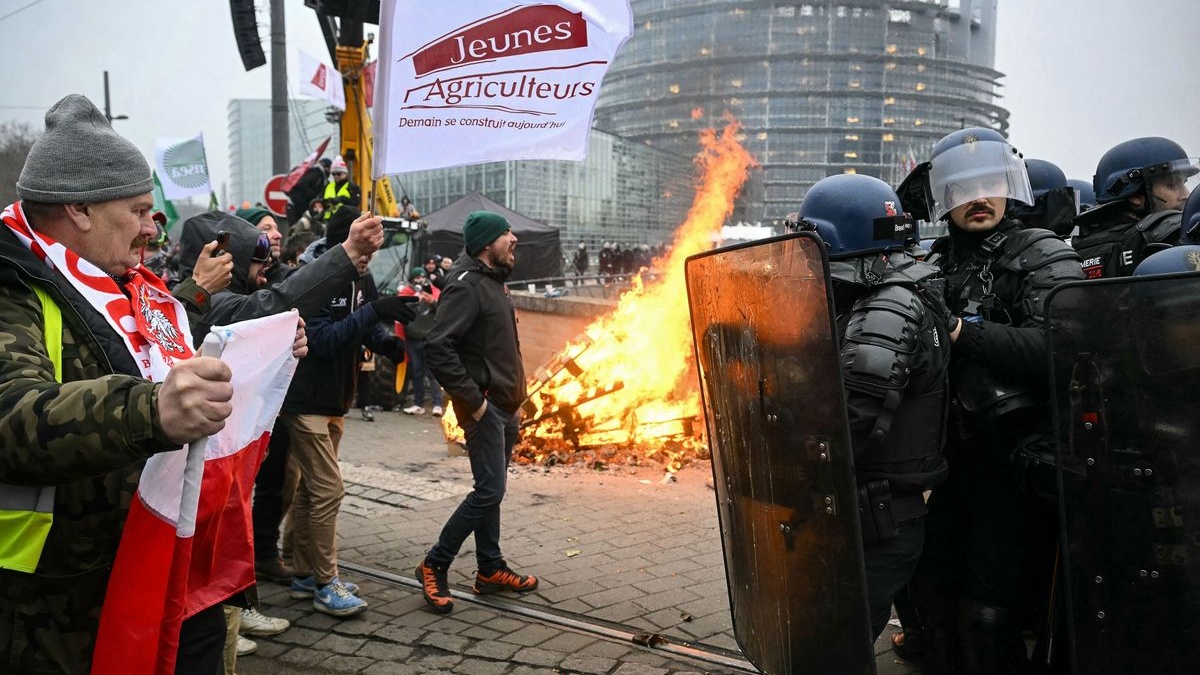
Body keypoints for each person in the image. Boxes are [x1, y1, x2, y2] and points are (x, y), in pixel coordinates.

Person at [0, 93, 237, 673]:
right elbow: (12, 415)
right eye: (135, 211)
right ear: (79, 209)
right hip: (54, 605)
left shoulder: (122, 284)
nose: (150, 231)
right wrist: (151, 410)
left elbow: (136, 351)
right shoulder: (11, 285)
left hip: (146, 565)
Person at [898, 127, 1084, 674]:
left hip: (1016, 462)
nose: (977, 198)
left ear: (1010, 187)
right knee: (926, 591)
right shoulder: (932, 260)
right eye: (961, 188)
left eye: (988, 184)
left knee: (988, 612)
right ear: (943, 199)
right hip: (951, 460)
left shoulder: (1042, 252)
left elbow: (1065, 344)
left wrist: (961, 332)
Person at [787, 174, 951, 642]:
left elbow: (852, 418)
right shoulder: (879, 293)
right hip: (871, 509)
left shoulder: (889, 307)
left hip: (876, 519)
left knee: (831, 646)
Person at [278, 207, 413, 618]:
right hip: (306, 401)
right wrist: (374, 313)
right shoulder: (313, 278)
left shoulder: (363, 275)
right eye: (364, 247)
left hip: (337, 398)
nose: (369, 258)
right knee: (329, 489)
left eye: (374, 249)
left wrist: (385, 339)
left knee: (309, 490)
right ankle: (325, 582)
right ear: (344, 241)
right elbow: (322, 341)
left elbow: (363, 323)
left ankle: (302, 572)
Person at [417, 211, 537, 614]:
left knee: (492, 492)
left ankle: (490, 569)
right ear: (487, 243)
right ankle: (434, 563)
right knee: (489, 491)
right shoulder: (467, 287)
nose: (514, 238)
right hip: (486, 409)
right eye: (506, 234)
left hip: (505, 407)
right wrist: (476, 401)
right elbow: (437, 347)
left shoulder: (494, 284)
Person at [1071, 136, 1198, 278]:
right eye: (1172, 185)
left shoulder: (1076, 248)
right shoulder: (1173, 232)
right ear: (1136, 196)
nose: (1186, 194)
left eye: (1184, 183)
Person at [399, 267, 444, 417]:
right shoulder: (407, 292)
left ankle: (437, 404)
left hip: (430, 339)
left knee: (433, 373)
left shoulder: (434, 291)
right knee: (417, 372)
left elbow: (443, 309)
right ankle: (419, 404)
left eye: (422, 278)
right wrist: (415, 298)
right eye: (417, 278)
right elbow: (399, 306)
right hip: (413, 339)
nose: (420, 281)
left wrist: (431, 301)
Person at [286, 157, 330, 228]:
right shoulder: (316, 173)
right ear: (327, 167)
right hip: (296, 207)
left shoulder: (320, 176)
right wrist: (312, 196)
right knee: (297, 231)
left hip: (295, 206)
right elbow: (303, 183)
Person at [322, 155, 361, 222]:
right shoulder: (328, 186)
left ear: (345, 173)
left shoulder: (352, 187)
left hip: (345, 220)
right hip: (330, 221)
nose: (336, 176)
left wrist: (342, 199)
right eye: (333, 174)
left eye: (339, 174)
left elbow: (356, 203)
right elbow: (321, 200)